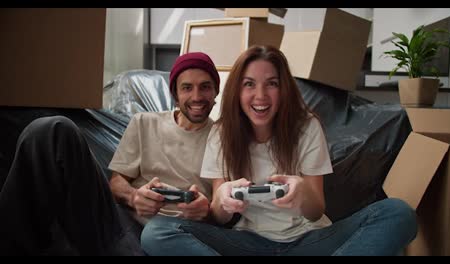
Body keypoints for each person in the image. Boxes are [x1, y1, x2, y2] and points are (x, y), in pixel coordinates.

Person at [193, 45, 418, 256]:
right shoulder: (221, 132)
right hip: (247, 242)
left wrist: (303, 194)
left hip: (310, 239)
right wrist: (222, 199)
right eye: (249, 84)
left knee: (398, 213)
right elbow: (218, 217)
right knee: (161, 231)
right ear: (236, 90)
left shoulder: (307, 126)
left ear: (284, 89)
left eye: (272, 83)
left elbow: (315, 211)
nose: (260, 95)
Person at [0, 52, 222, 256]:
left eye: (205, 87)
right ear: (174, 93)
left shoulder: (224, 137)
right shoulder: (144, 123)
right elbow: (116, 183)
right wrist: (134, 197)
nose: (196, 97)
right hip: (120, 227)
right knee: (52, 129)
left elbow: (224, 209)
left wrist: (206, 212)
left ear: (216, 92)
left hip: (171, 239)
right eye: (187, 88)